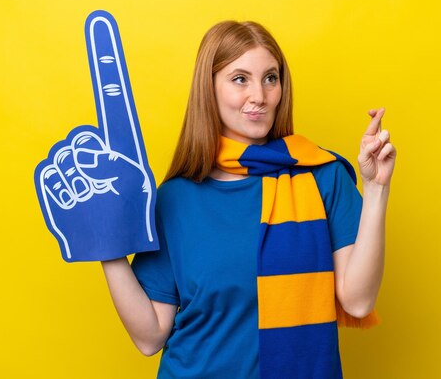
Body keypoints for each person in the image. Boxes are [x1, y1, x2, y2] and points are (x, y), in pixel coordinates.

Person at [101, 20, 396, 378]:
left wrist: (376, 188)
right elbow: (150, 337)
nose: (259, 95)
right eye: (240, 79)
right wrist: (106, 245)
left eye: (270, 78)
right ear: (208, 89)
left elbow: (359, 301)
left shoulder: (322, 175)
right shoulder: (175, 198)